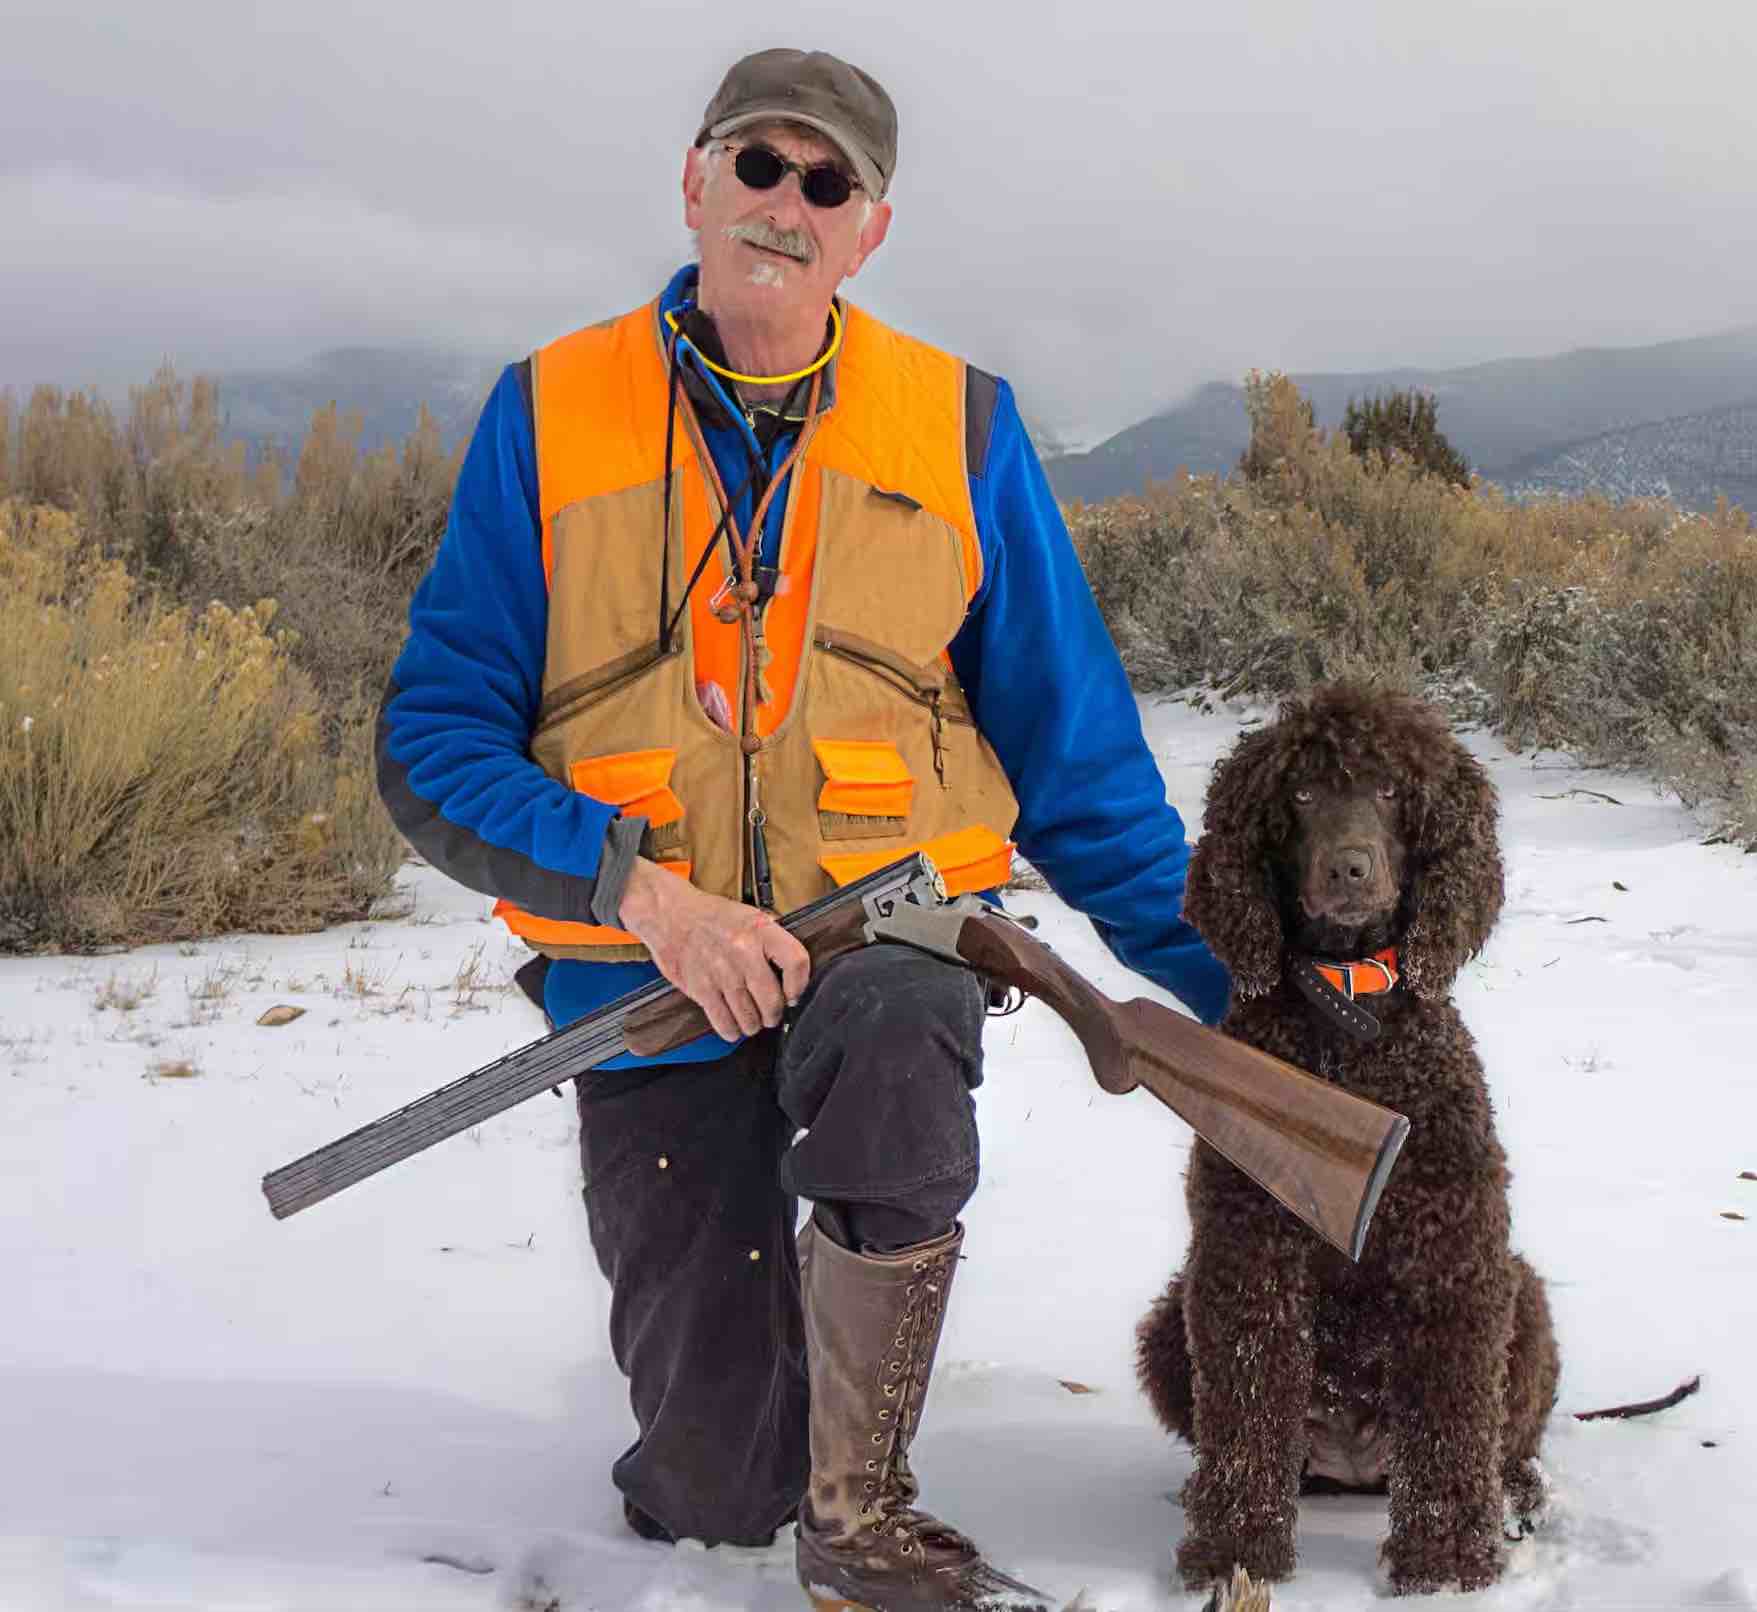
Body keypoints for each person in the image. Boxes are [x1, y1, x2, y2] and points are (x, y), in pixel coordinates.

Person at [376, 46, 1228, 1612]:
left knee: (903, 1018)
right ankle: (775, 1446)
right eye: (758, 167)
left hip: (888, 943)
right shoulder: (546, 410)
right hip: (651, 992)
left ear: (869, 230)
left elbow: (1081, 758)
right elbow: (430, 747)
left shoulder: (962, 422)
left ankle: (864, 1513)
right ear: (695, 180)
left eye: (826, 182)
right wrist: (648, 898)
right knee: (710, 1493)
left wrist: (1238, 1000)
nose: (787, 203)